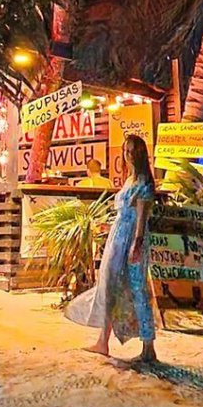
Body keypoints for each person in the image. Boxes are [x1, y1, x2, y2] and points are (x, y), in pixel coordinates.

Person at [65, 134, 158, 363]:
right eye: (125, 150)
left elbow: (141, 217)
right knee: (108, 284)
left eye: (131, 151)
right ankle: (102, 341)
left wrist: (136, 243)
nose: (127, 155)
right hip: (117, 237)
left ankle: (148, 346)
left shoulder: (143, 183)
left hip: (130, 239)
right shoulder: (130, 180)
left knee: (137, 288)